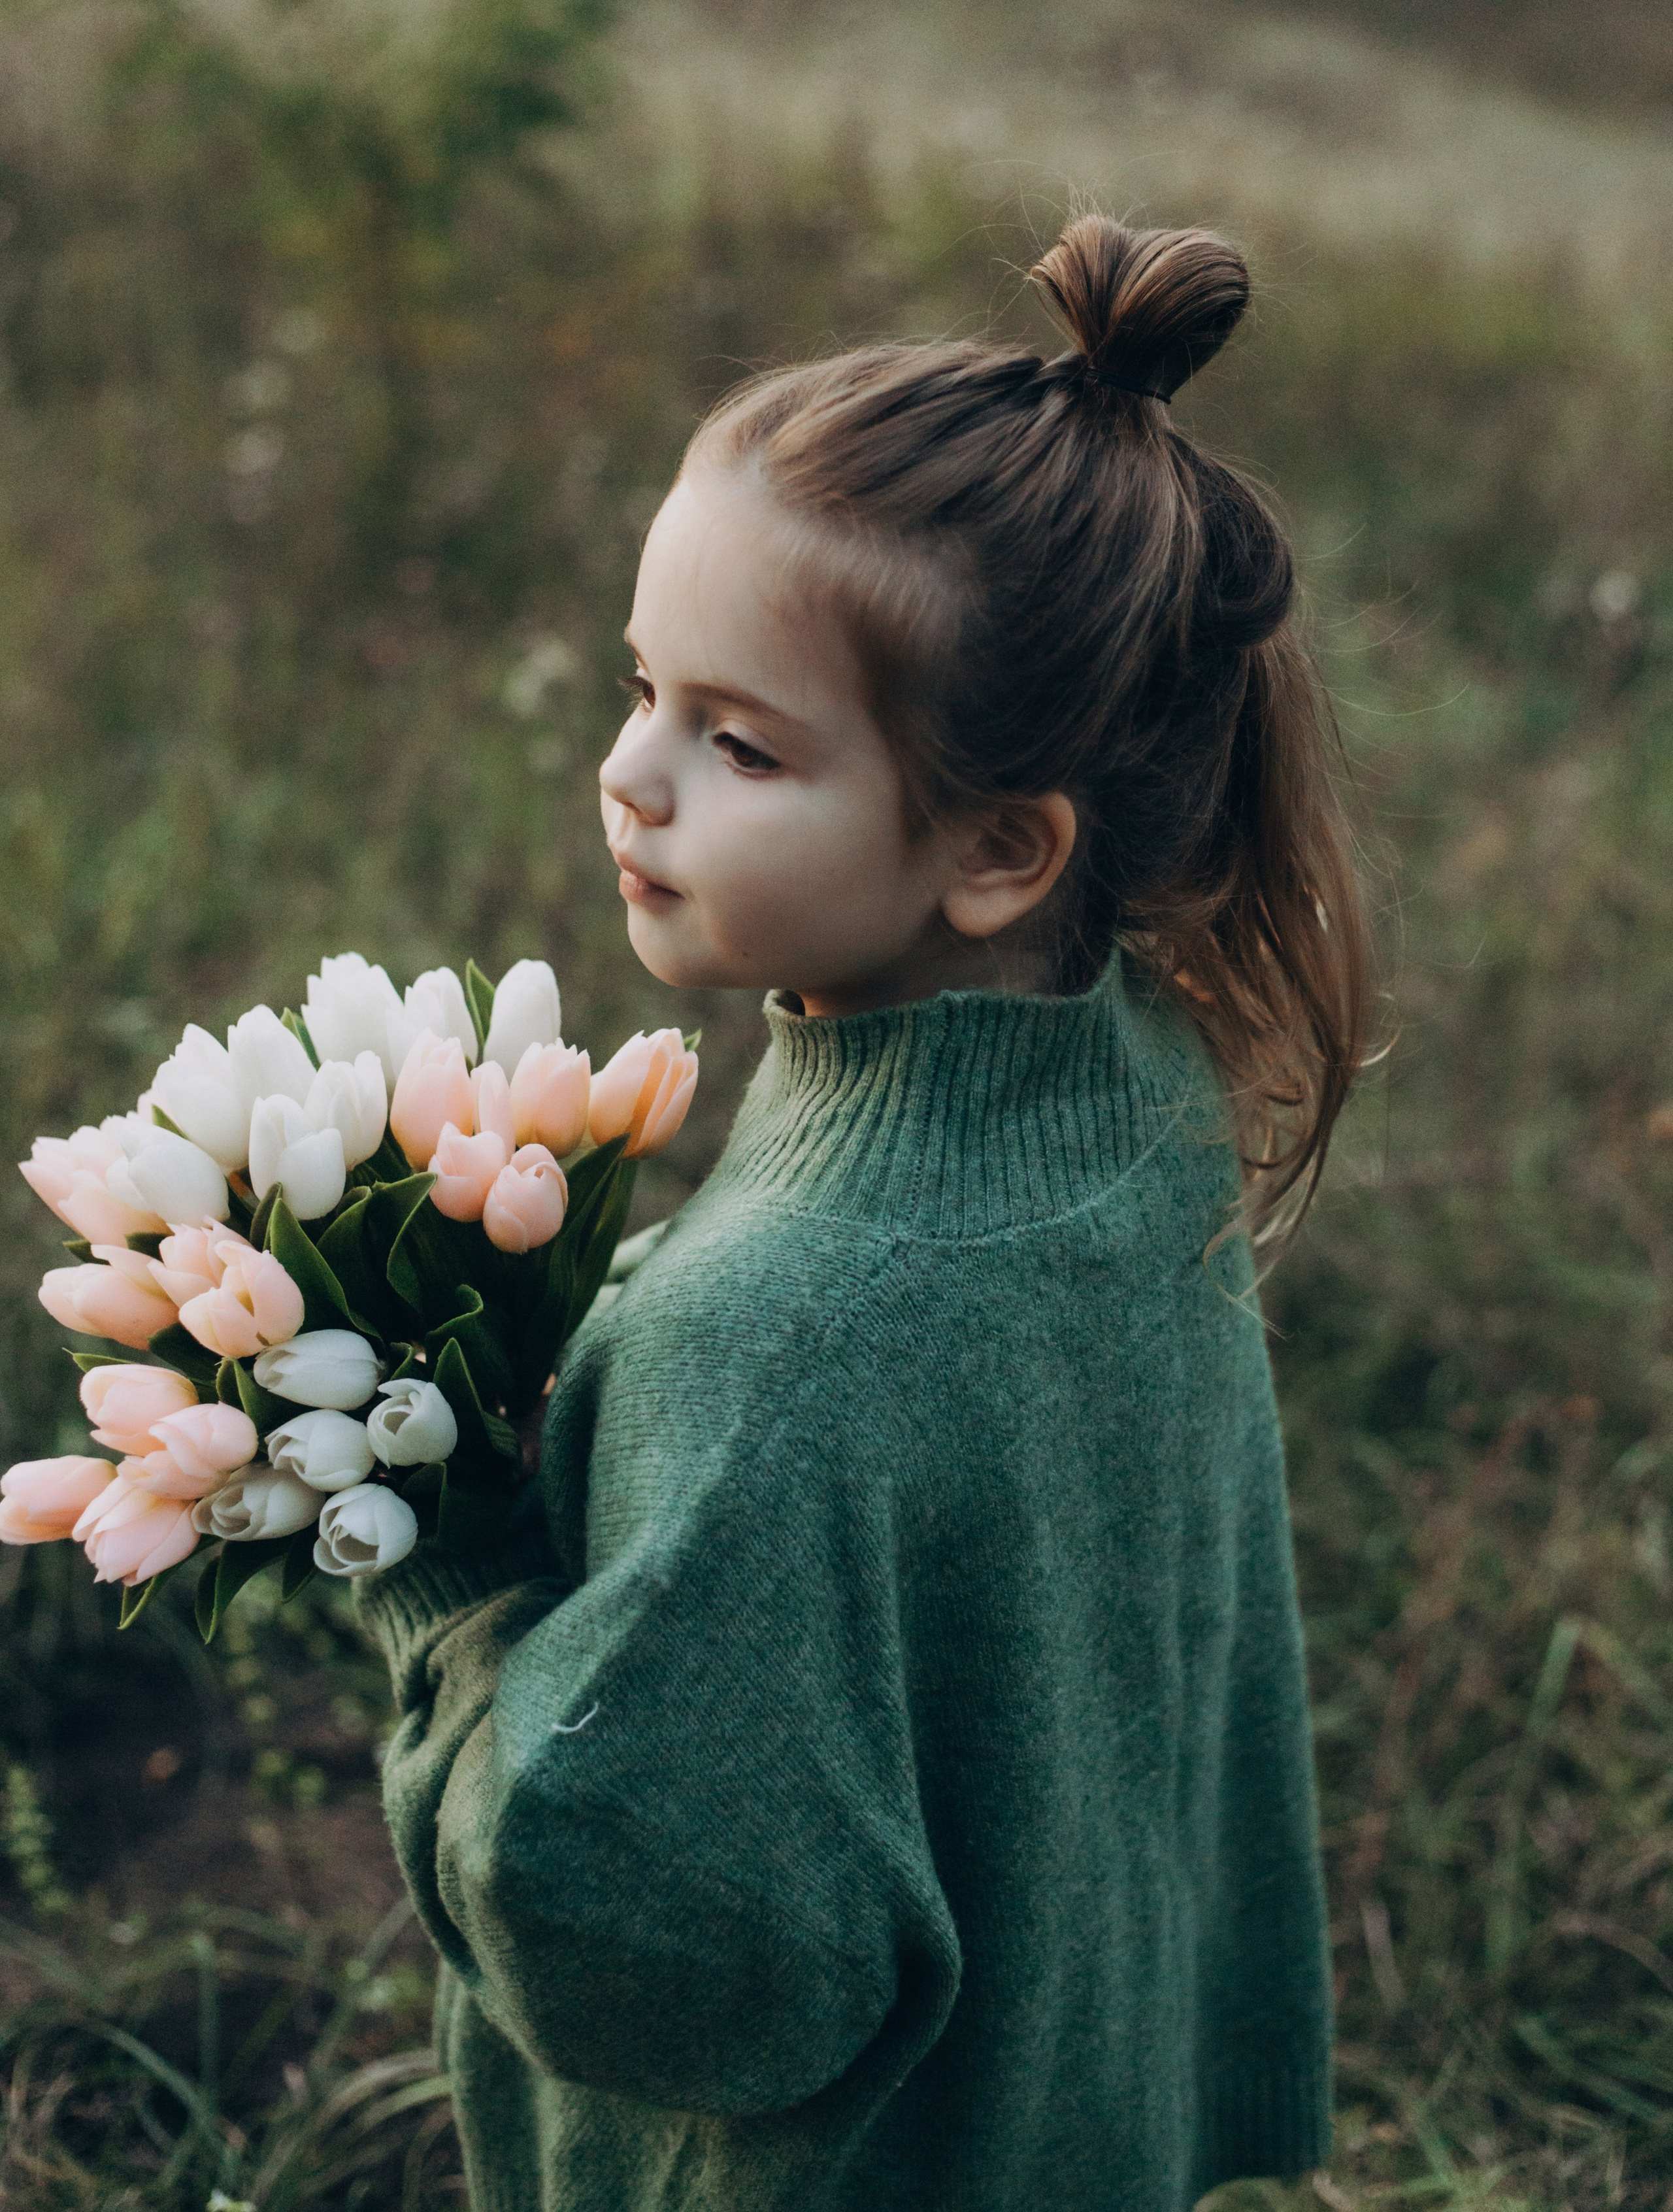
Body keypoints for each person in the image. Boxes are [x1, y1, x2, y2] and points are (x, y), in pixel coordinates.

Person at [356, 212, 1373, 2212]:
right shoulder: (1125, 1077)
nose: (628, 775)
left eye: (740, 741)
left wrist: (452, 1582)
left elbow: (655, 1947)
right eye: (645, 684)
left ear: (1000, 848)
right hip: (1053, 2117)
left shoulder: (793, 1326)